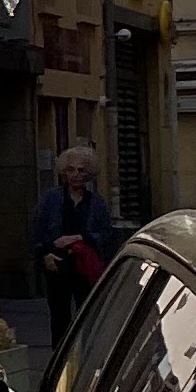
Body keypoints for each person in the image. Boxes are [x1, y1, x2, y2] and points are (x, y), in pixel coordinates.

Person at [30, 142, 125, 347]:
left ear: (89, 174)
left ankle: (85, 356)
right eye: (71, 169)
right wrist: (44, 255)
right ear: (64, 171)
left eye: (81, 170)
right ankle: (60, 356)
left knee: (87, 315)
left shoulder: (96, 203)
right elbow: (37, 230)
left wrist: (79, 237)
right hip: (57, 263)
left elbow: (106, 235)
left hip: (84, 266)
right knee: (59, 317)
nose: (76, 175)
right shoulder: (51, 199)